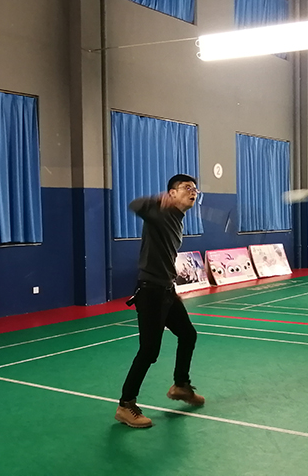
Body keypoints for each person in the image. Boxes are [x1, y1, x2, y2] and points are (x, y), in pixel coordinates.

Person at [115, 174, 204, 429]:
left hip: (166, 290)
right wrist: (157, 200)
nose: (193, 192)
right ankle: (125, 405)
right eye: (187, 188)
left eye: (195, 189)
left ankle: (181, 385)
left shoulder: (177, 218)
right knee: (149, 351)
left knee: (187, 334)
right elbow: (135, 205)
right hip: (151, 292)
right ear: (172, 193)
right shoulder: (160, 213)